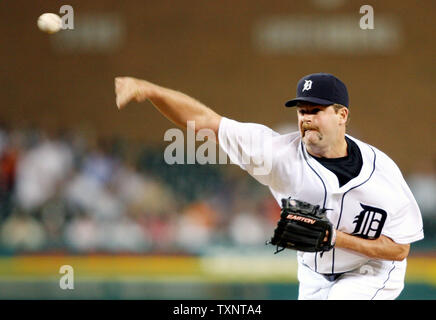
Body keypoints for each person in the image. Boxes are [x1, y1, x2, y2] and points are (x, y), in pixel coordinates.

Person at [114, 72, 424, 300]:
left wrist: (335, 237)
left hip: (370, 273)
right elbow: (205, 120)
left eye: (316, 111)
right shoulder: (277, 155)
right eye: (302, 111)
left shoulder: (383, 175)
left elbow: (399, 249)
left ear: (342, 115)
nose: (306, 118)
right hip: (314, 274)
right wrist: (150, 90)